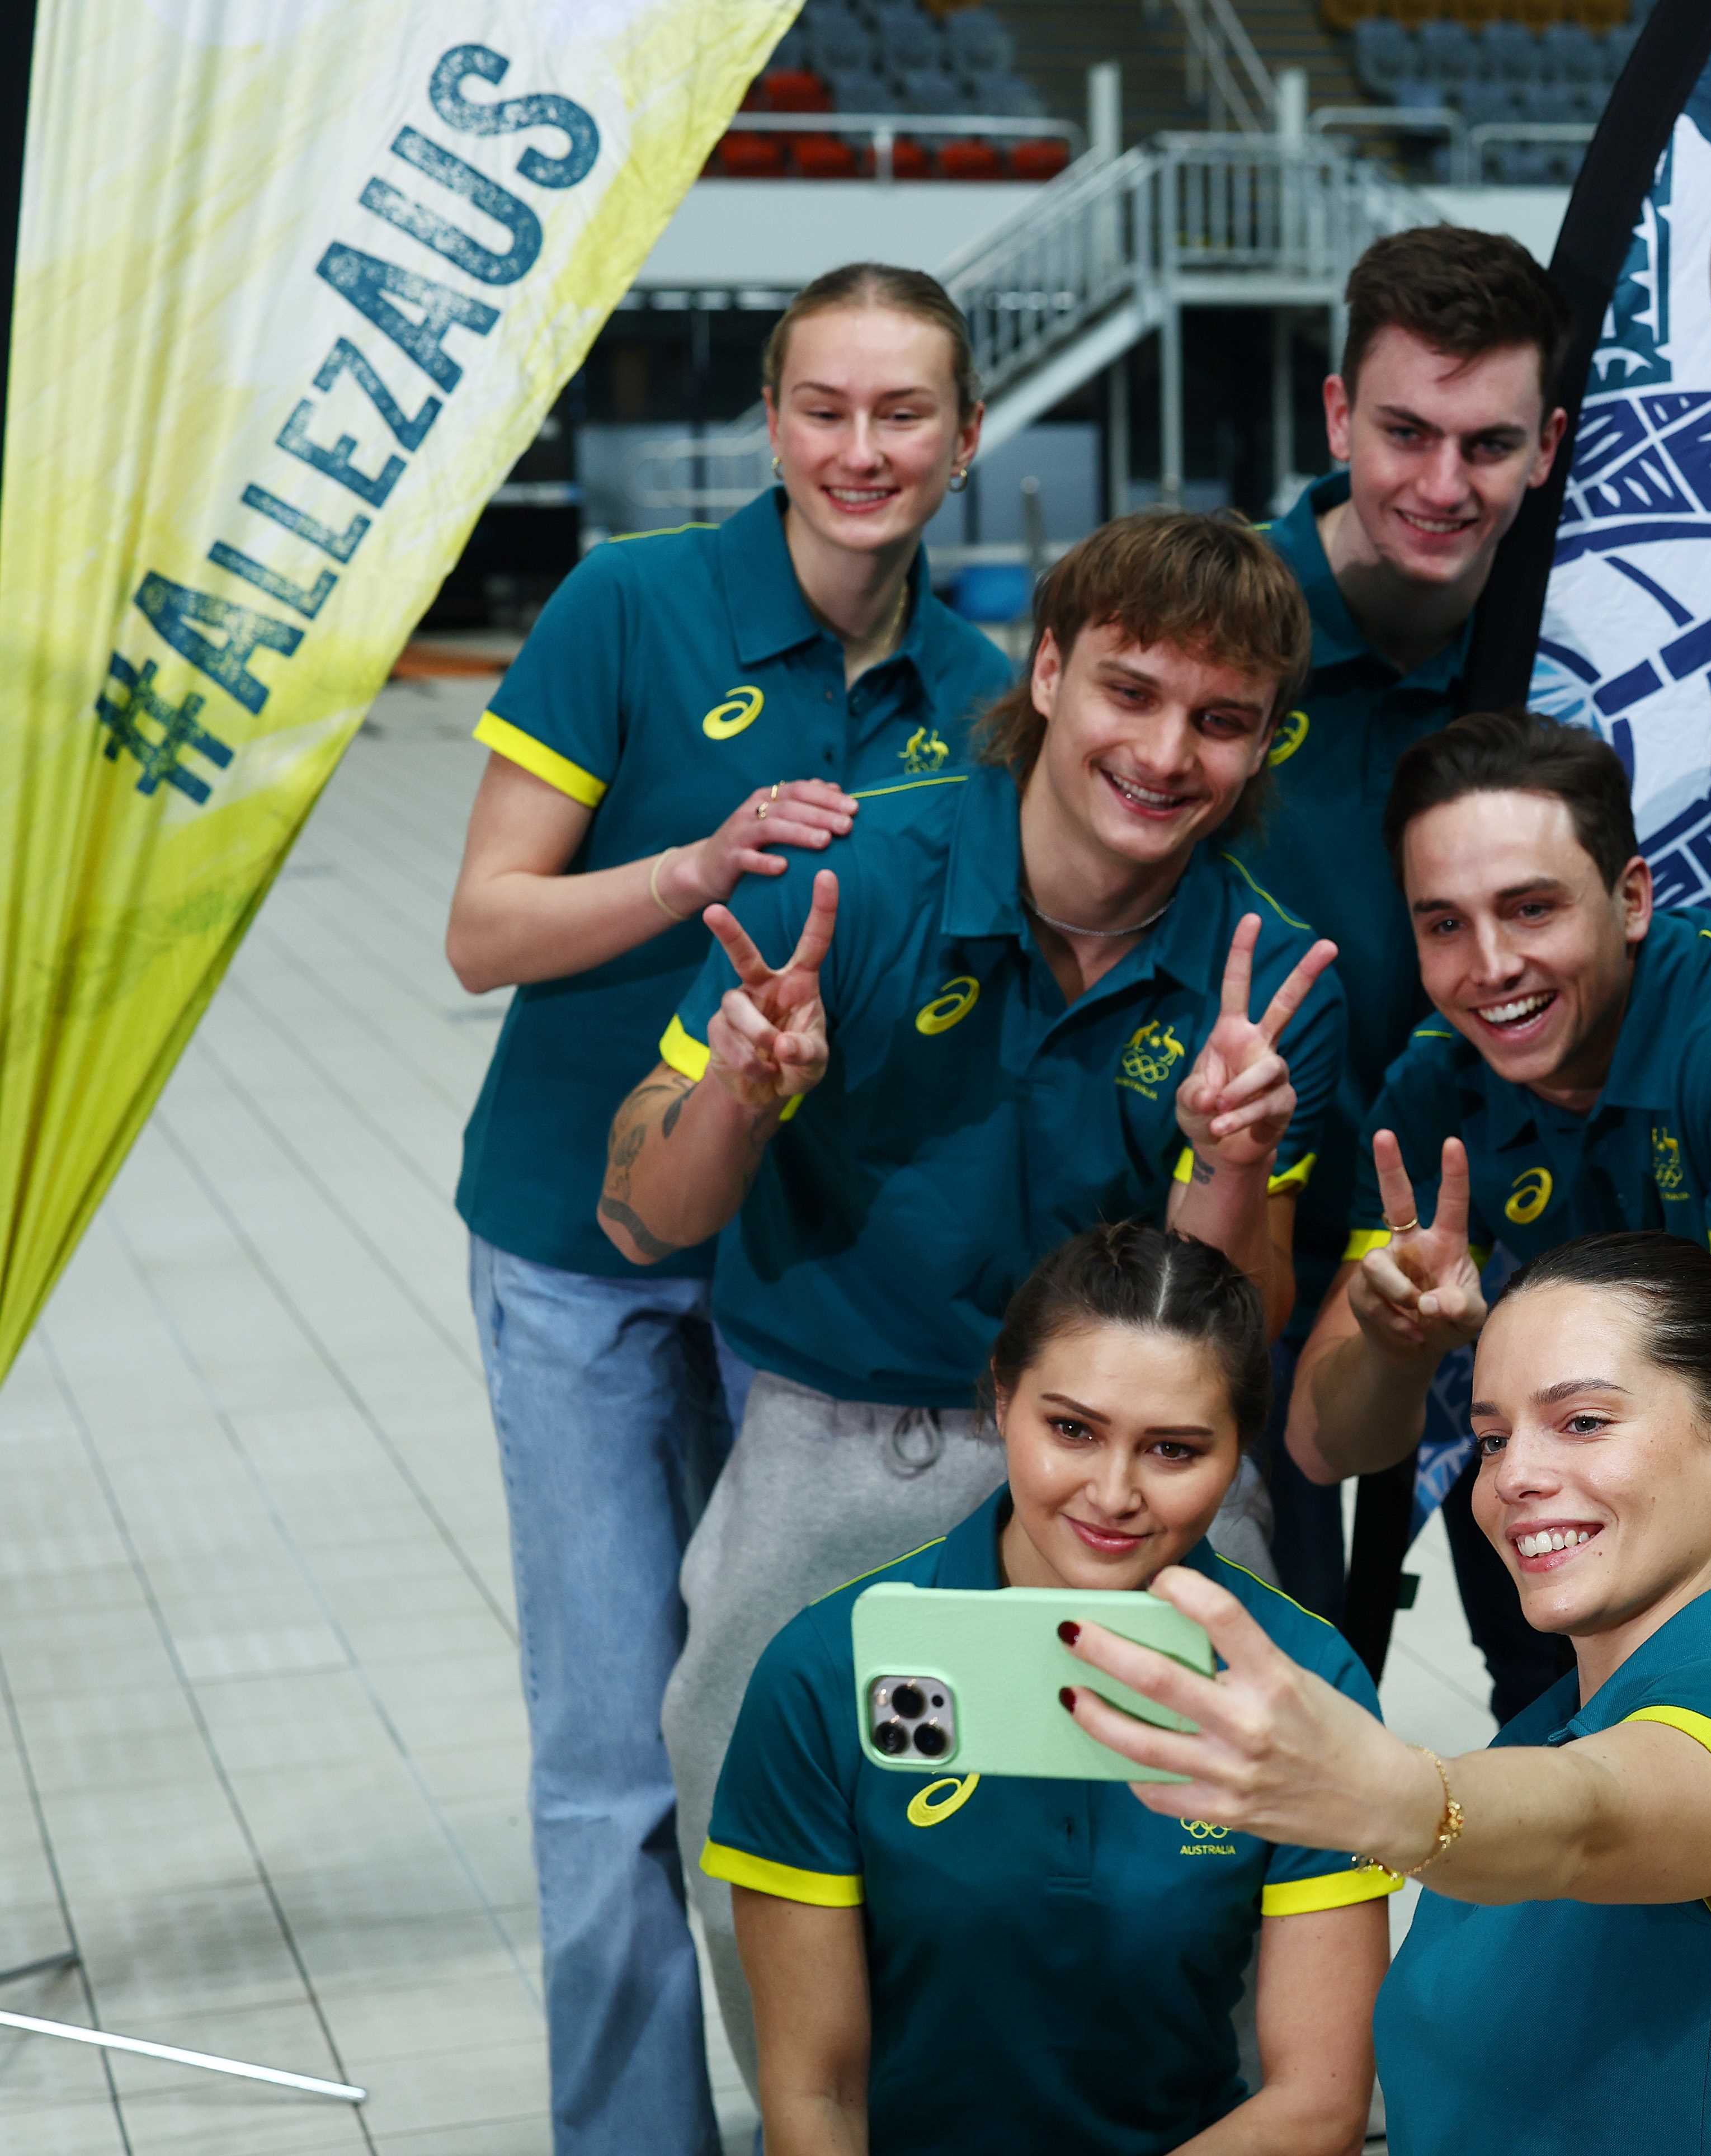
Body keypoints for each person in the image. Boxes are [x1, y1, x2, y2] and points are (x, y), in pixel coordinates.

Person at [601, 509, 1344, 2088]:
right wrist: (742, 1090)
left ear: (1265, 738)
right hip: (841, 1453)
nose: (1164, 752)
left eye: (1221, 721)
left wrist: (1229, 1154)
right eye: (1129, 693)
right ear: (1048, 668)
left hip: (1132, 1467)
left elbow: (1238, 1321)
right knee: (772, 1845)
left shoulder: (1263, 972)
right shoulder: (845, 885)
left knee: (1195, 1868)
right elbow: (638, 1203)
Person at [442, 262, 1012, 2155]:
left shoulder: (980, 690)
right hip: (578, 1258)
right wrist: (697, 858)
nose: (862, 450)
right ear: (771, 424)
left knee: (813, 1744)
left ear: (966, 439)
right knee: (615, 1762)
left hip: (807, 1287)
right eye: (825, 409)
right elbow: (483, 929)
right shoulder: (632, 608)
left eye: (902, 415)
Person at [1064, 1232, 1711, 2156]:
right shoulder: (1543, 1730)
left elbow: (1591, 1820)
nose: (1513, 1476)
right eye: (1493, 1437)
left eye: (1583, 1421)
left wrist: (1394, 1796)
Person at [1283, 710, 1711, 1722]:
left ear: (1630, 898)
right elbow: (1325, 1445)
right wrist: (1395, 1342)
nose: (1488, 966)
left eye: (1530, 909)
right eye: (1444, 923)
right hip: (1615, 1452)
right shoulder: (1438, 1081)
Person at [706, 1221, 1391, 2156]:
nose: (1112, 1493)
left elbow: (1317, 2104)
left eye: (1175, 1450)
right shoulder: (829, 1671)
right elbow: (814, 2094)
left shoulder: (1306, 1684)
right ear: (1000, 1397)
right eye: (1071, 1430)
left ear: (1240, 1453)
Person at [1249, 225, 1570, 1634]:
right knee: (1277, 1699)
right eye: (1404, 433)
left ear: (1547, 444)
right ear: (1335, 415)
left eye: (1489, 443)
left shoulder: (1575, 644)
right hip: (1243, 1262)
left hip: (1509, 1260)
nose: (1444, 486)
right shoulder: (1217, 639)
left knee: (1560, 1686)